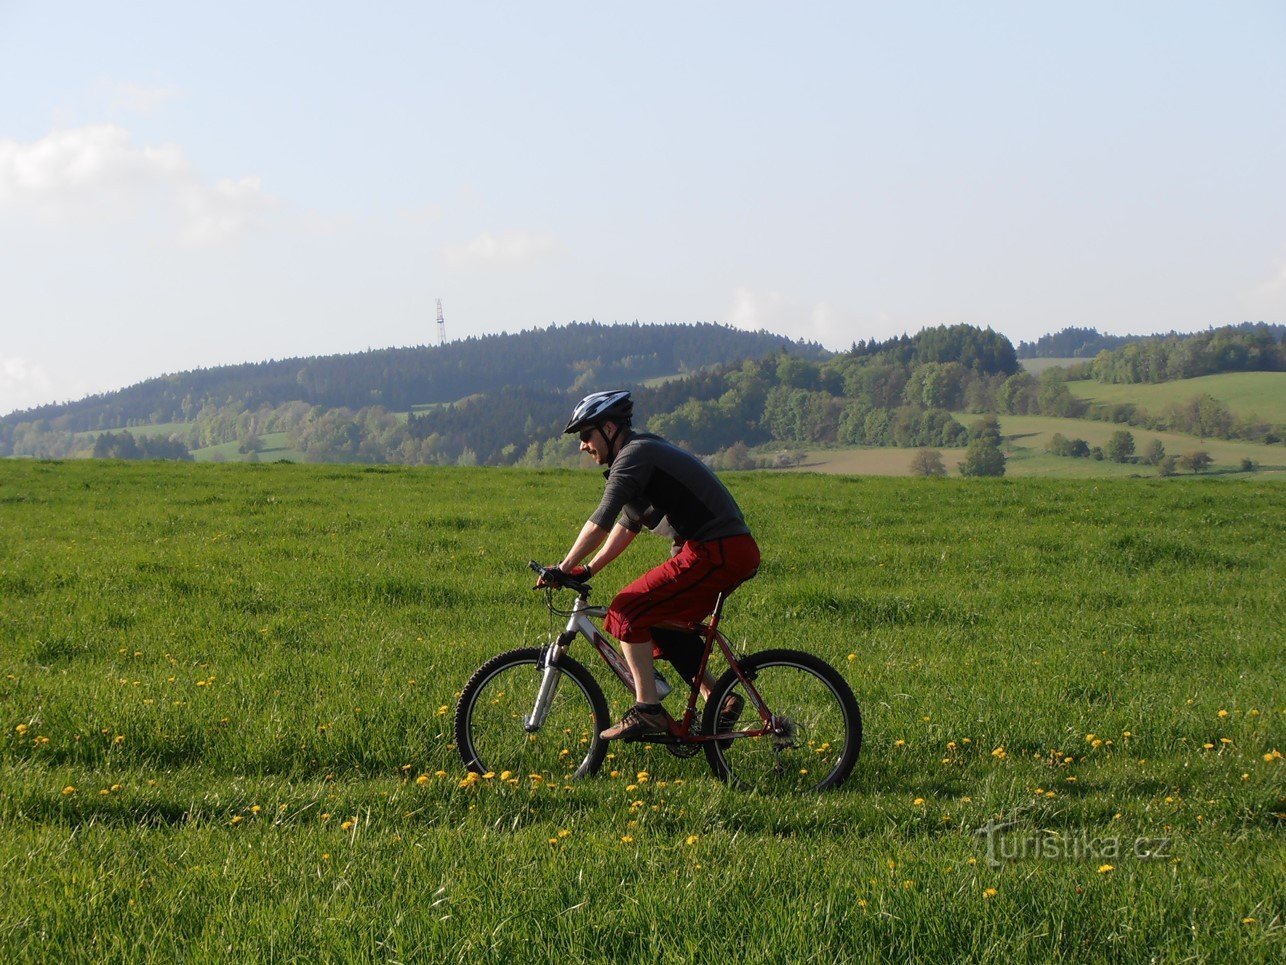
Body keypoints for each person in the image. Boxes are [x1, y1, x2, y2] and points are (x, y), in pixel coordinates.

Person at [540, 389, 760, 741]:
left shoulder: (634, 456)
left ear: (609, 428)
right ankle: (720, 697)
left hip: (717, 550)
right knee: (658, 621)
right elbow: (627, 525)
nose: (582, 445)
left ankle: (648, 711)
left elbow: (602, 519)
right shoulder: (639, 454)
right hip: (722, 550)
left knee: (628, 608)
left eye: (586, 435)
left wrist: (564, 566)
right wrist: (588, 570)